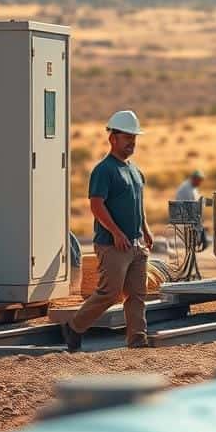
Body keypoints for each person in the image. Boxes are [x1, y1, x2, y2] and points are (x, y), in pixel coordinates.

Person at [61, 110, 153, 351]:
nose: (132, 142)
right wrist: (116, 233)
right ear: (113, 138)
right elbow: (96, 205)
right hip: (112, 245)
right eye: (127, 137)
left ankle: (137, 340)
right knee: (110, 293)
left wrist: (145, 229)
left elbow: (138, 204)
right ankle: (74, 327)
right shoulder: (104, 170)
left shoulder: (135, 171)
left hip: (135, 244)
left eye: (134, 137)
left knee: (137, 294)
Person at [175, 169, 208, 251]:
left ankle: (198, 243)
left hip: (191, 215)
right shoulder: (186, 188)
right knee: (200, 230)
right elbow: (190, 205)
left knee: (201, 228)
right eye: (199, 180)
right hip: (185, 215)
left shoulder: (192, 187)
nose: (200, 183)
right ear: (194, 179)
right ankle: (197, 244)